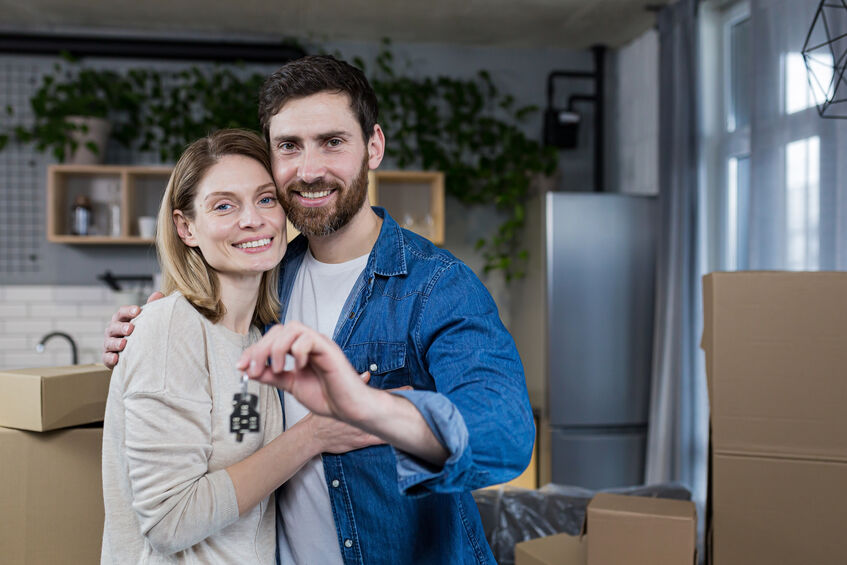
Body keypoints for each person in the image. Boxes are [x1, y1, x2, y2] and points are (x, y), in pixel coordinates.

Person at [104, 55, 535, 564]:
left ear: (372, 146)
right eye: (289, 146)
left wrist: (373, 410)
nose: (309, 171)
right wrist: (150, 331)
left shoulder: (436, 286)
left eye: (332, 142)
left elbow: (504, 434)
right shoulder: (266, 283)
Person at [100, 129, 379, 564]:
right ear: (186, 226)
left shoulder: (258, 337)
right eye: (224, 206)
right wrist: (316, 434)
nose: (253, 219)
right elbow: (168, 522)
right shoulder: (171, 328)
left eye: (266, 199)